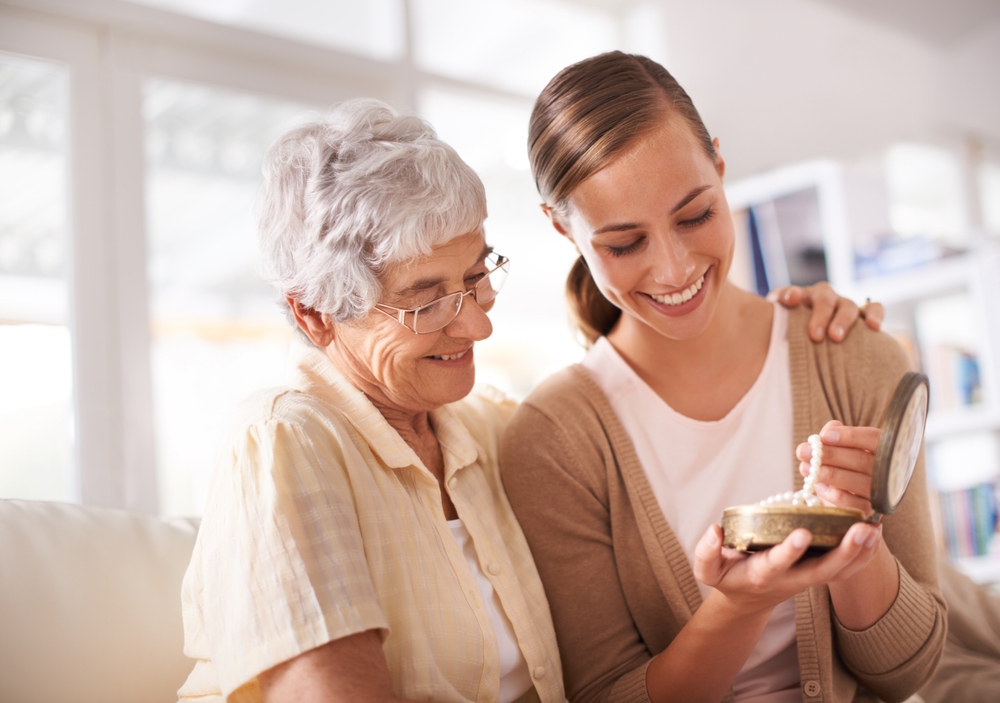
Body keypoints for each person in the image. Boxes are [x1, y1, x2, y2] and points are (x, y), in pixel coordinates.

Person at [177, 97, 880, 703]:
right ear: (314, 316)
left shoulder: (489, 431)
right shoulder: (282, 441)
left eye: (478, 277)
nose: (478, 323)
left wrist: (786, 323)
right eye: (427, 303)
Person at [499, 52, 947, 703]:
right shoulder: (553, 438)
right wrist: (738, 605)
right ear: (561, 226)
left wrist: (857, 551)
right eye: (625, 244)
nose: (674, 269)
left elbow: (910, 670)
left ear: (718, 162)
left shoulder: (854, 355)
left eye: (694, 215)